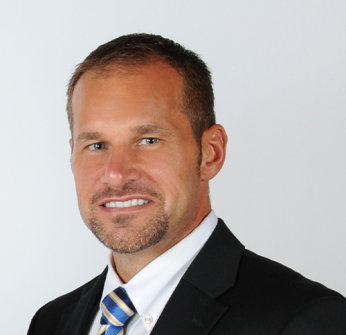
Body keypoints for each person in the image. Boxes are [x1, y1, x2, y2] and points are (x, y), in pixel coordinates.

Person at [28, 33, 346, 335]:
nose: (116, 173)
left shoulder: (306, 320)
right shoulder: (52, 321)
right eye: (96, 145)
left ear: (210, 153)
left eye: (148, 140)